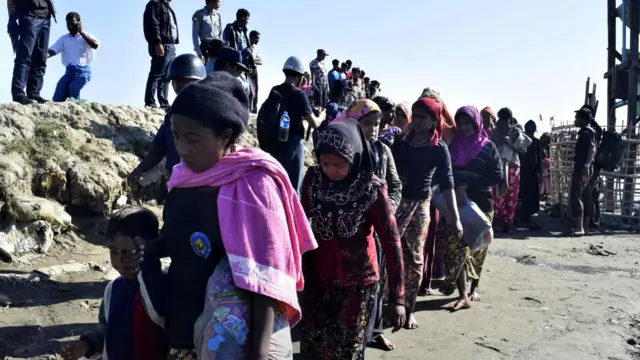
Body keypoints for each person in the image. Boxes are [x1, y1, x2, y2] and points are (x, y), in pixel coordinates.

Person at [126, 72, 317, 359]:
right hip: (182, 325)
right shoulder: (182, 178)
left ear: (226, 136)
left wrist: (259, 352)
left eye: (192, 139)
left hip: (234, 340)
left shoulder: (255, 185)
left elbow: (265, 275)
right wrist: (146, 250)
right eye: (176, 137)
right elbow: (178, 237)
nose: (182, 149)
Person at [299, 118, 406, 359]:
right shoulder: (313, 179)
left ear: (354, 157)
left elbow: (391, 242)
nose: (330, 170)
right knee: (313, 346)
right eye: (324, 163)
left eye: (339, 164)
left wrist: (396, 298)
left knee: (346, 349)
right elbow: (301, 222)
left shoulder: (372, 188)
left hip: (357, 284)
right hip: (317, 279)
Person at [59, 206, 167, 360]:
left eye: (129, 252)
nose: (120, 260)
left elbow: (161, 317)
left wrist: (148, 267)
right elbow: (107, 330)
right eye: (114, 252)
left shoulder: (164, 286)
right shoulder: (113, 289)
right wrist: (87, 345)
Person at [392, 98, 461, 329]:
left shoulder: (438, 149)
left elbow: (447, 184)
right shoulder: (400, 143)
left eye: (423, 117)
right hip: (396, 203)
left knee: (414, 259)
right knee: (390, 253)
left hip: (421, 205)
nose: (417, 121)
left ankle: (409, 308)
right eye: (415, 115)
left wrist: (455, 217)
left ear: (434, 120)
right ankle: (389, 304)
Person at [340, 100, 402, 351]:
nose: (374, 129)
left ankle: (374, 331)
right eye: (367, 123)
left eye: (377, 124)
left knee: (375, 280)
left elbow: (395, 185)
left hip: (376, 227)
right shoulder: (345, 149)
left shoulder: (383, 152)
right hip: (350, 227)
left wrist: (386, 212)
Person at [442, 105, 503, 310]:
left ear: (476, 123)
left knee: (478, 249)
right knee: (456, 247)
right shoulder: (452, 146)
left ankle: (474, 287)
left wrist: (465, 184)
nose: (464, 127)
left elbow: (496, 176)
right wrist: (457, 187)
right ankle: (462, 294)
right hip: (456, 205)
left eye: (468, 123)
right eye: (460, 124)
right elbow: (445, 172)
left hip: (481, 205)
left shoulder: (488, 147)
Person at [128, 53, 206, 191]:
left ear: (198, 82)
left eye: (185, 80)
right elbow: (159, 148)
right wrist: (139, 170)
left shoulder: (210, 111)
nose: (179, 85)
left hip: (204, 184)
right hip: (177, 182)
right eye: (175, 81)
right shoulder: (172, 114)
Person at [258, 56, 325, 194]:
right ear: (301, 75)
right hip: (292, 147)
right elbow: (314, 123)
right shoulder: (299, 94)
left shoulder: (275, 89)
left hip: (274, 145)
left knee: (275, 185)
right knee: (293, 189)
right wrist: (322, 116)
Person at [10, 0, 56, 105]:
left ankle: (34, 93)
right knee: (24, 56)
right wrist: (11, 18)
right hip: (28, 16)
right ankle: (18, 94)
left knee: (41, 58)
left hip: (46, 17)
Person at [492, 107, 529, 233]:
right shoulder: (496, 132)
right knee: (499, 194)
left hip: (513, 165)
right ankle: (501, 220)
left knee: (511, 196)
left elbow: (523, 149)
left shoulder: (516, 131)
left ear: (508, 119)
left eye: (503, 119)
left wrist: (507, 140)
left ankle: (508, 222)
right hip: (501, 165)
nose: (501, 122)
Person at [48, 12, 99, 102]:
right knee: (58, 95)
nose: (70, 27)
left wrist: (82, 33)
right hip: (69, 72)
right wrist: (43, 56)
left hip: (83, 71)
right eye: (68, 24)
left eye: (73, 24)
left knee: (73, 87)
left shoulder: (85, 36)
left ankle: (78, 107)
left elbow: (95, 45)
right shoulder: (63, 39)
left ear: (79, 23)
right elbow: (52, 51)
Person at [143, 0, 179, 110]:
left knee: (166, 76)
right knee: (157, 73)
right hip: (162, 44)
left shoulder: (167, 6)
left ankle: (163, 103)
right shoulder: (155, 4)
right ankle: (150, 102)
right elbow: (153, 25)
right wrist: (157, 43)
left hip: (171, 44)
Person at [569, 107, 596, 237]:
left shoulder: (586, 132)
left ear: (582, 119)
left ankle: (580, 227)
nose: (575, 120)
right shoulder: (587, 132)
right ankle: (585, 228)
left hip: (582, 168)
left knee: (576, 196)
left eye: (577, 118)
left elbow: (592, 149)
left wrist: (586, 165)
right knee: (586, 197)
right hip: (585, 168)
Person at [518, 120, 543, 230]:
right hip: (530, 170)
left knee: (525, 193)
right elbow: (540, 158)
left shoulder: (522, 140)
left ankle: (524, 215)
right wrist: (540, 171)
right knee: (530, 194)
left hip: (525, 170)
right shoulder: (536, 141)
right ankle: (526, 214)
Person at [242, 30, 261, 113]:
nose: (258, 40)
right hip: (248, 69)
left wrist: (253, 60)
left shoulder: (256, 48)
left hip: (254, 70)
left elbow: (260, 61)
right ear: (252, 38)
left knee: (256, 89)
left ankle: (254, 110)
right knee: (249, 90)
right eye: (257, 38)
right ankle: (247, 109)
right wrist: (252, 60)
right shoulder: (246, 47)